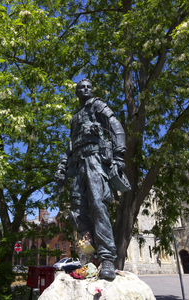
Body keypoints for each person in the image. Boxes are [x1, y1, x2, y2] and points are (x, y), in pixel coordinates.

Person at [55, 79, 129, 280]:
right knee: (78, 213)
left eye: (88, 86)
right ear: (77, 92)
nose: (85, 89)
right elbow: (70, 146)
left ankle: (106, 259)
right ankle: (87, 260)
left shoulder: (98, 106)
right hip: (77, 164)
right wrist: (62, 166)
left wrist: (119, 155)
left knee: (98, 206)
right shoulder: (75, 117)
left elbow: (116, 127)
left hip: (95, 160)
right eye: (81, 87)